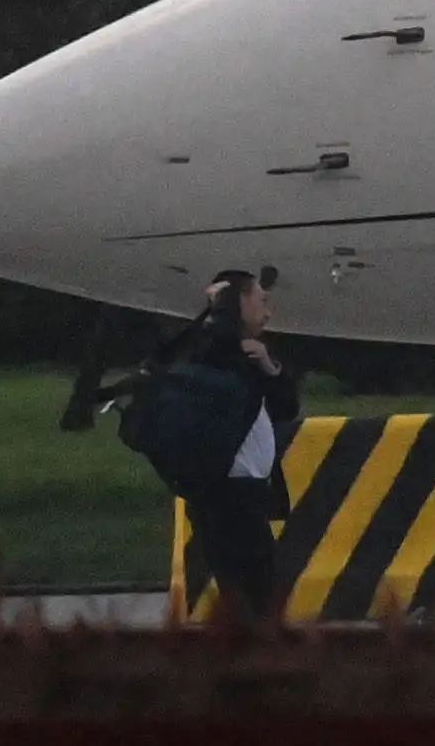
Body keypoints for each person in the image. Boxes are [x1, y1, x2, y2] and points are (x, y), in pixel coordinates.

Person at [138, 268, 300, 627]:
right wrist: (220, 308)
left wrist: (270, 369)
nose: (268, 312)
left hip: (249, 494)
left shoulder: (245, 359)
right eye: (261, 300)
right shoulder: (210, 352)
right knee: (258, 594)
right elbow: (214, 342)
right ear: (239, 301)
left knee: (256, 593)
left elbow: (286, 408)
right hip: (227, 496)